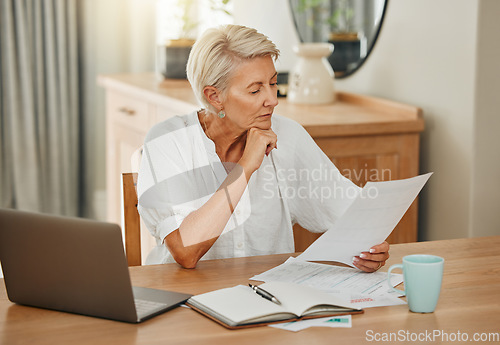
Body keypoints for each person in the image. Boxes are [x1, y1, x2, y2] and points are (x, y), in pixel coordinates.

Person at [137, 24, 389, 271]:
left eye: (273, 83)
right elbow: (185, 251)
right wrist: (246, 167)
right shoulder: (168, 141)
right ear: (215, 97)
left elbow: (351, 211)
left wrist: (369, 248)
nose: (272, 100)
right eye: (255, 90)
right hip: (183, 301)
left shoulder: (288, 135)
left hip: (268, 298)